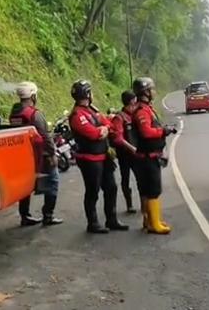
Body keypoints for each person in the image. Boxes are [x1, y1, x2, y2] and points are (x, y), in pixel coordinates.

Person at [69, 79, 129, 234]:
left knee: (111, 188)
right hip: (89, 159)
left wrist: (104, 128)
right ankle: (93, 223)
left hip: (103, 156)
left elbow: (108, 124)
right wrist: (103, 129)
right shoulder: (77, 115)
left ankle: (112, 219)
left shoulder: (91, 111)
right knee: (92, 191)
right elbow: (94, 133)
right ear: (88, 94)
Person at [9, 81, 63, 226]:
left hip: (23, 155)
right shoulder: (35, 114)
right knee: (53, 182)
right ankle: (48, 215)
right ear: (33, 96)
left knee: (26, 186)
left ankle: (25, 216)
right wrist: (52, 155)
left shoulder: (14, 113)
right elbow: (46, 136)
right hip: (41, 155)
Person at [132, 77, 177, 235]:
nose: (154, 92)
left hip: (150, 156)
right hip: (147, 157)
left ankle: (151, 220)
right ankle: (154, 224)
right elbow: (146, 132)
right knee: (153, 191)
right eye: (152, 89)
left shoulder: (147, 108)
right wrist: (162, 131)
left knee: (149, 191)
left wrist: (164, 129)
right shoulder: (141, 111)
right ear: (145, 92)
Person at [110, 91, 139, 214]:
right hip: (125, 154)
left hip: (137, 153)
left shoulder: (135, 115)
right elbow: (118, 139)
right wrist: (132, 148)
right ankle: (129, 204)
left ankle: (145, 203)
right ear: (132, 101)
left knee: (141, 178)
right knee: (125, 178)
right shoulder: (120, 118)